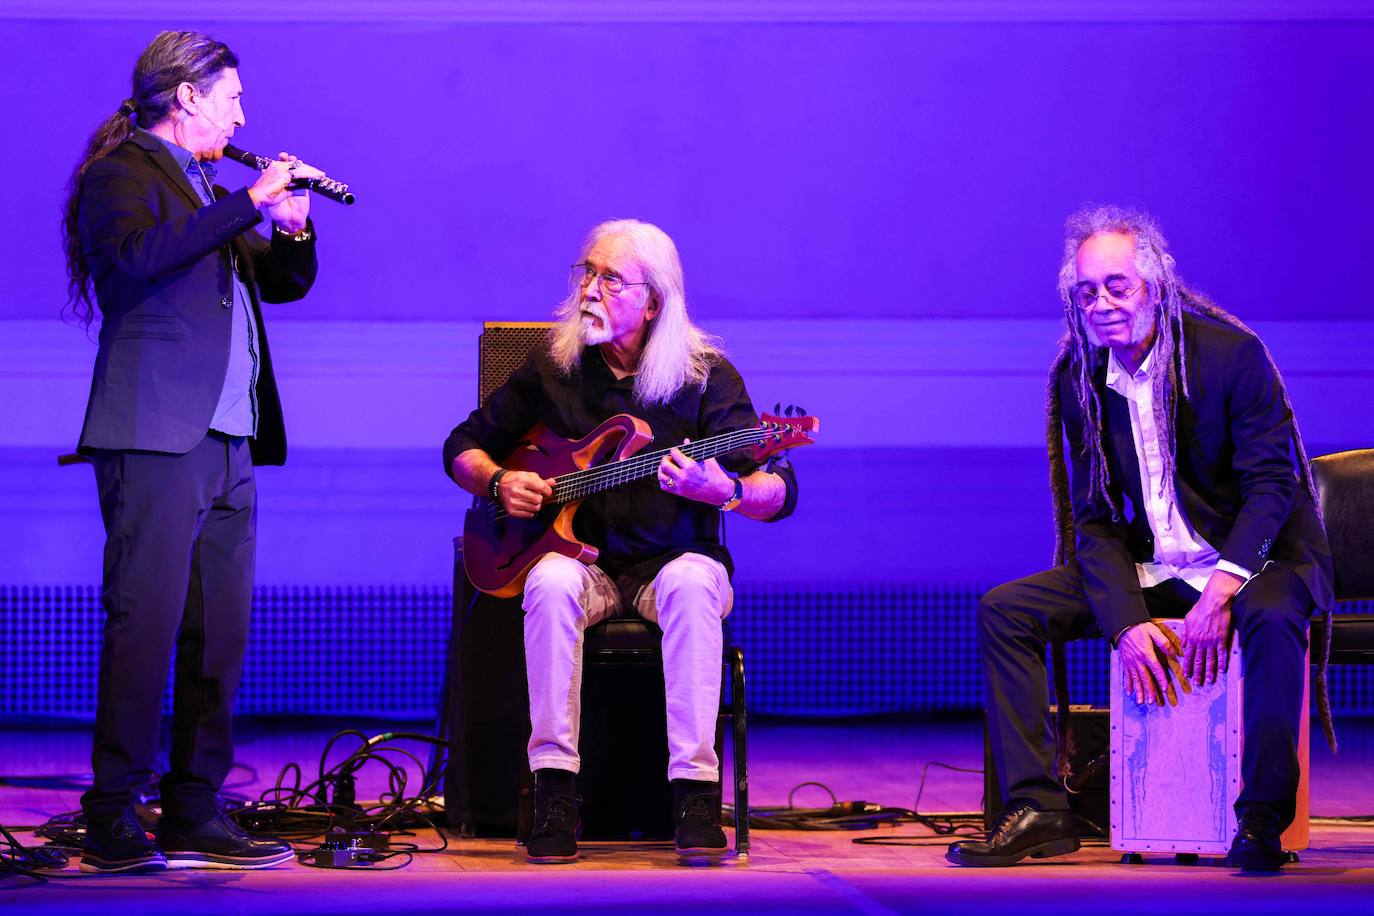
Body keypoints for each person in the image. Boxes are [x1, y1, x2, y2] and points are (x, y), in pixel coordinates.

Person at [947, 205, 1333, 872]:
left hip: (1257, 558)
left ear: (1155, 285)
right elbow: (1095, 518)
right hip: (1159, 565)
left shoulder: (1231, 356)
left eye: (1117, 285)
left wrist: (1222, 587)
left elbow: (1273, 487)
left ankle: (1263, 817)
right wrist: (1125, 622)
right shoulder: (1081, 379)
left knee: (1270, 617)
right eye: (1086, 291)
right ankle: (1039, 809)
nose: (1101, 303)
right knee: (1006, 610)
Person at [443, 219, 798, 864]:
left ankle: (694, 791)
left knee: (692, 583)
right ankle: (554, 789)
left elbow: (777, 491)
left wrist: (727, 493)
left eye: (610, 279)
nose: (590, 289)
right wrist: (498, 482)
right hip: (588, 567)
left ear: (653, 300)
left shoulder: (705, 376)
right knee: (548, 580)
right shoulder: (555, 367)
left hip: (675, 564)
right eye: (586, 272)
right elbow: (461, 446)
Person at [62, 30, 322, 873]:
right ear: (186, 98)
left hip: (228, 438)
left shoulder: (208, 186)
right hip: (154, 435)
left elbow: (279, 285)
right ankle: (111, 811)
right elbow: (137, 260)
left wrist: (291, 226)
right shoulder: (123, 177)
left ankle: (196, 806)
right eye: (232, 97)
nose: (242, 113)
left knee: (220, 632)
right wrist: (248, 201)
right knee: (146, 623)